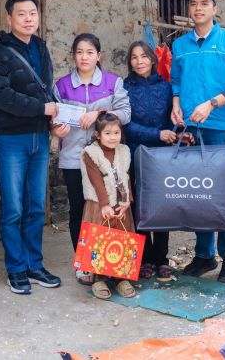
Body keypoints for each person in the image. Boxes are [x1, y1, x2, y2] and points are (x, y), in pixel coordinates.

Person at [0, 0, 62, 294]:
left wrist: (55, 118)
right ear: (9, 19)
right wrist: (42, 110)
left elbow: (47, 89)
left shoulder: (40, 47)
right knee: (13, 207)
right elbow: (0, 96)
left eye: (32, 13)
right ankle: (16, 268)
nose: (28, 19)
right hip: (11, 139)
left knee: (36, 206)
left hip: (40, 137)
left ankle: (34, 264)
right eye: (21, 14)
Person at [170, 0, 225, 284]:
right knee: (197, 193)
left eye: (205, 4)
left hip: (221, 127)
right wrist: (177, 105)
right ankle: (204, 255)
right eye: (193, 4)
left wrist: (213, 102)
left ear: (214, 9)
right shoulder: (180, 45)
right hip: (191, 128)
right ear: (189, 11)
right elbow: (176, 81)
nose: (199, 8)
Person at [51, 33, 131, 285]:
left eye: (89, 52)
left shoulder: (112, 82)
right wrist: (55, 129)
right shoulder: (62, 85)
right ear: (73, 56)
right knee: (80, 210)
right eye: (79, 52)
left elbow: (126, 114)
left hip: (108, 159)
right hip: (74, 158)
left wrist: (99, 112)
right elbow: (52, 120)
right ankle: (84, 262)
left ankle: (112, 262)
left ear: (99, 56)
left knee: (110, 207)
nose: (84, 57)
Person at [123, 40, 175, 280]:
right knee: (140, 207)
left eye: (144, 56)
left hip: (163, 154)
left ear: (153, 60)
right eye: (134, 57)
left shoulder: (166, 88)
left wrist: (174, 132)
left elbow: (171, 119)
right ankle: (144, 257)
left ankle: (162, 258)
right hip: (136, 152)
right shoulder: (125, 88)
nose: (139, 61)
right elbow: (126, 125)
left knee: (162, 205)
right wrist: (157, 134)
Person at [81, 113, 138, 300]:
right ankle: (99, 277)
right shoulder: (91, 153)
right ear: (98, 134)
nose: (113, 137)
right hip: (99, 204)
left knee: (122, 237)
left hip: (119, 204)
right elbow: (96, 181)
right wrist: (105, 205)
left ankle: (120, 277)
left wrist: (126, 203)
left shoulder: (124, 151)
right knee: (100, 239)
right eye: (107, 133)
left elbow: (125, 176)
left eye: (116, 132)